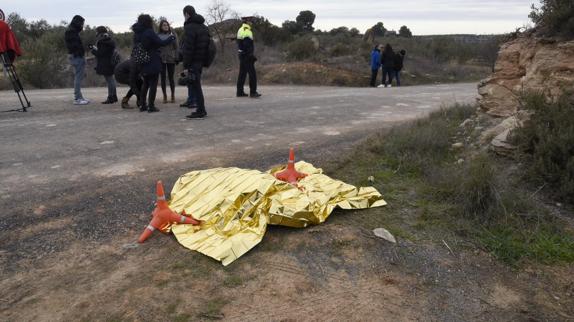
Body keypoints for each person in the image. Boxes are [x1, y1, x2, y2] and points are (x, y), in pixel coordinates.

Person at [131, 14, 175, 113]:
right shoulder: (149, 32)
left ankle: (143, 105)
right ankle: (151, 106)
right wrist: (171, 38)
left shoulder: (137, 33)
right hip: (152, 60)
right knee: (153, 84)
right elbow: (161, 43)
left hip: (142, 61)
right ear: (148, 22)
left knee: (145, 83)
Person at [181, 5, 211, 119]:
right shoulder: (203, 26)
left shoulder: (190, 27)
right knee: (196, 84)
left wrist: (186, 65)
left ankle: (201, 110)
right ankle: (200, 109)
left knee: (196, 86)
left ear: (187, 14)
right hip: (201, 60)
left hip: (193, 61)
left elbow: (188, 48)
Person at [65, 15, 89, 105]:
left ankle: (80, 97)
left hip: (75, 56)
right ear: (78, 22)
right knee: (78, 77)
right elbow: (74, 46)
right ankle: (78, 98)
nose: (82, 25)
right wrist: (80, 53)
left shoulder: (71, 30)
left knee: (78, 77)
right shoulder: (71, 32)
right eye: (82, 23)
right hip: (77, 56)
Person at [90, 26, 117, 104]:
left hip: (105, 63)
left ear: (100, 33)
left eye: (97, 33)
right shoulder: (109, 41)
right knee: (111, 80)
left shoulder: (103, 42)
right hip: (110, 63)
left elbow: (100, 54)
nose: (97, 35)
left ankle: (111, 97)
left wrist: (93, 50)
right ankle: (113, 96)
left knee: (109, 80)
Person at [236, 17, 261, 98]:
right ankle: (253, 92)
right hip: (246, 55)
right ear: (247, 21)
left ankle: (239, 92)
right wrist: (251, 55)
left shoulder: (241, 29)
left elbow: (240, 42)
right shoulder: (247, 30)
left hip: (241, 54)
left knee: (242, 74)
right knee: (252, 74)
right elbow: (247, 44)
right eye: (251, 21)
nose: (252, 22)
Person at [158, 20, 178, 104]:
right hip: (161, 59)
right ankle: (164, 96)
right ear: (161, 27)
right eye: (164, 25)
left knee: (171, 78)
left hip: (171, 59)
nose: (166, 26)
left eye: (167, 25)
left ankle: (173, 95)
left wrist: (176, 57)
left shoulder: (172, 35)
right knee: (163, 78)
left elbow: (176, 47)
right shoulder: (158, 36)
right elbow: (156, 47)